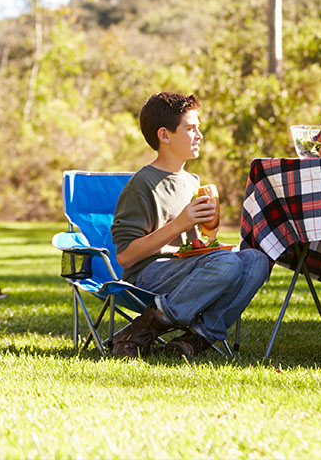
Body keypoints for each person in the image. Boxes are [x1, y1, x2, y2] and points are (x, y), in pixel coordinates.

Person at [109, 92, 269, 359]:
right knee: (227, 263)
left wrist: (208, 234)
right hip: (147, 276)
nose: (200, 135)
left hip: (186, 269)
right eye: (191, 128)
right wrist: (179, 224)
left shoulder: (192, 182)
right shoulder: (143, 184)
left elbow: (196, 246)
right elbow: (126, 256)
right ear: (165, 135)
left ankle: (197, 338)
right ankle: (146, 326)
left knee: (257, 260)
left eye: (199, 128)